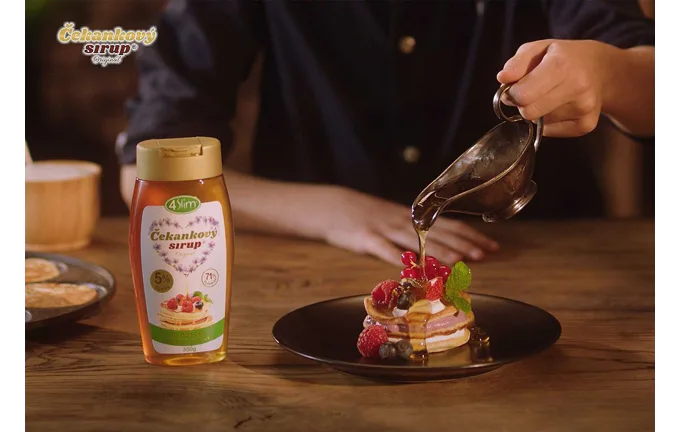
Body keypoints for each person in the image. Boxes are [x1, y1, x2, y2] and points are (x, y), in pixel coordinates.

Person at [117, 0, 654, 265]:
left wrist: (606, 73)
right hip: (312, 270)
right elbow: (150, 173)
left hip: (539, 259)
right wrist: (327, 212)